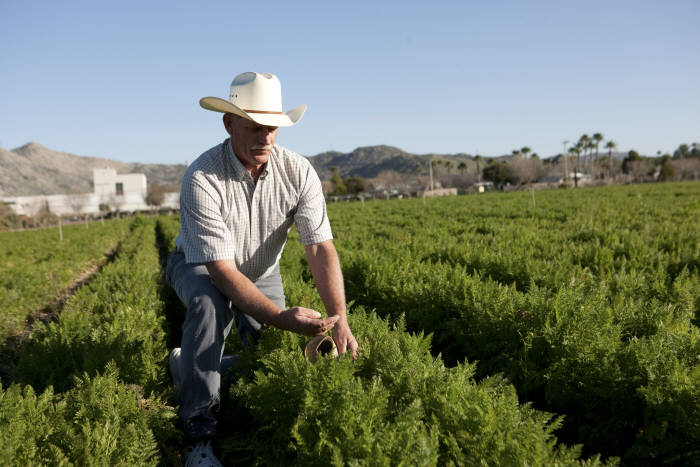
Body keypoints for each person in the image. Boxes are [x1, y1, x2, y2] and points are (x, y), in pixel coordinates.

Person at [165, 72, 358, 467]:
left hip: (261, 269)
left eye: (272, 128)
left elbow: (320, 247)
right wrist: (280, 316)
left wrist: (339, 318)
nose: (266, 137)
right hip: (200, 265)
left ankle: (192, 364)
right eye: (255, 127)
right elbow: (220, 272)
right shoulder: (202, 176)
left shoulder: (298, 172)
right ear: (229, 123)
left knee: (267, 354)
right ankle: (198, 436)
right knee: (208, 305)